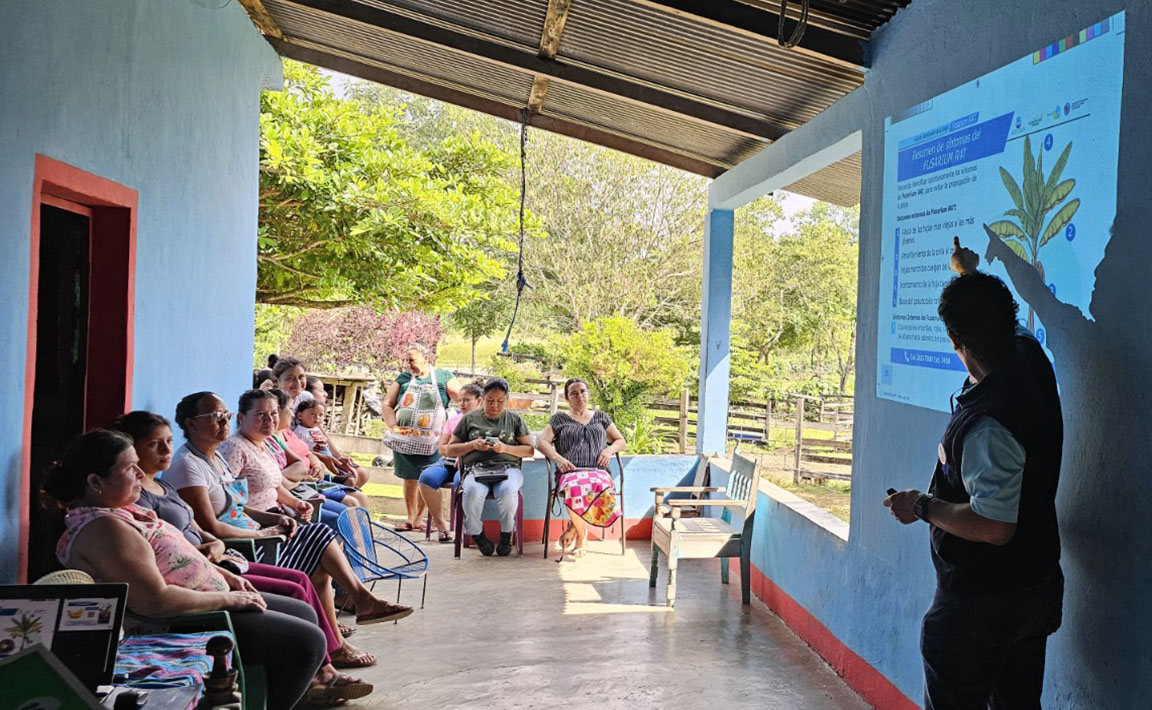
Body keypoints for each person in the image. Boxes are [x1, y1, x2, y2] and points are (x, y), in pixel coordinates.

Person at [884, 239, 1063, 710]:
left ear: (955, 342)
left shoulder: (988, 426)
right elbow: (993, 319)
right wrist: (967, 273)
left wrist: (921, 506)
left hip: (981, 607)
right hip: (1031, 590)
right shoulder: (1029, 357)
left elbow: (995, 525)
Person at [46, 429, 331, 709]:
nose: (140, 473)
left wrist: (226, 576)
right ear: (95, 481)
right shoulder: (105, 530)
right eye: (130, 468)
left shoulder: (119, 511)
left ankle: (266, 695)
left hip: (208, 603)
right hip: (189, 620)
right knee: (308, 643)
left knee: (303, 611)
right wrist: (230, 599)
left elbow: (178, 555)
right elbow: (154, 602)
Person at [110, 411, 375, 696]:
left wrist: (221, 543)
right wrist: (257, 538)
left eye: (168, 441)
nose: (166, 450)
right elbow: (165, 570)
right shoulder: (141, 499)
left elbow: (201, 527)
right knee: (306, 570)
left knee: (305, 573)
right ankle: (332, 649)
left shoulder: (165, 484)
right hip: (214, 567)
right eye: (154, 444)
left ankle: (331, 651)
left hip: (220, 560)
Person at [164, 391, 412, 661]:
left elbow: (236, 505)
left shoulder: (215, 458)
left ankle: (338, 640)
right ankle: (355, 612)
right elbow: (212, 526)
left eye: (225, 415)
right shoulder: (190, 465)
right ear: (191, 424)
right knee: (320, 539)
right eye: (215, 416)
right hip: (246, 547)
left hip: (257, 532)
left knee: (320, 556)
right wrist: (262, 532)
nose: (224, 421)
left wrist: (276, 519)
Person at [442, 378, 534, 557]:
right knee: (472, 493)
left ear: (507, 400)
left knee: (508, 491)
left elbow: (529, 450)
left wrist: (505, 448)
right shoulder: (469, 419)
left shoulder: (514, 419)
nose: (495, 406)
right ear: (482, 399)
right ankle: (477, 534)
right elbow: (450, 448)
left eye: (500, 401)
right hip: (476, 469)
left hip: (508, 468)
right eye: (490, 400)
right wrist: (472, 445)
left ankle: (506, 534)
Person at [536, 378, 627, 557]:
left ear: (588, 393)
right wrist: (557, 458)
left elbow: (621, 441)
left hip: (597, 471)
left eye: (583, 391)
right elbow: (541, 443)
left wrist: (609, 450)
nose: (579, 396)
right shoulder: (559, 419)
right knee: (574, 488)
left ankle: (574, 527)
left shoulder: (601, 417)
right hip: (570, 472)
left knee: (601, 486)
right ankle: (582, 534)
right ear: (567, 398)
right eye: (574, 393)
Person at [381, 344, 462, 532]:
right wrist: (393, 426)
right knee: (409, 477)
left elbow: (464, 398)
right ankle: (410, 518)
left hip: (433, 440)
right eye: (407, 360)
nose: (409, 364)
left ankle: (419, 518)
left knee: (427, 476)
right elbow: (387, 404)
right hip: (405, 439)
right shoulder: (403, 379)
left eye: (412, 360)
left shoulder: (443, 377)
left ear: (426, 358)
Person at [218, 390, 317, 521]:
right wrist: (272, 520)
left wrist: (296, 503)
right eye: (260, 414)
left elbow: (275, 487)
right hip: (254, 522)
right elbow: (225, 500)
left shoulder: (263, 442)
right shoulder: (234, 448)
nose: (269, 420)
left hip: (277, 513)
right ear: (241, 418)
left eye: (274, 413)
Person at [417, 382, 483, 542]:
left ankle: (469, 530)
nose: (462, 404)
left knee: (462, 482)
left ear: (479, 401)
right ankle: (441, 526)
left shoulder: (485, 421)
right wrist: (456, 451)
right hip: (448, 461)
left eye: (467, 400)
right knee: (427, 478)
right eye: (460, 400)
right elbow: (442, 448)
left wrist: (463, 453)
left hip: (472, 464)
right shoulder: (453, 420)